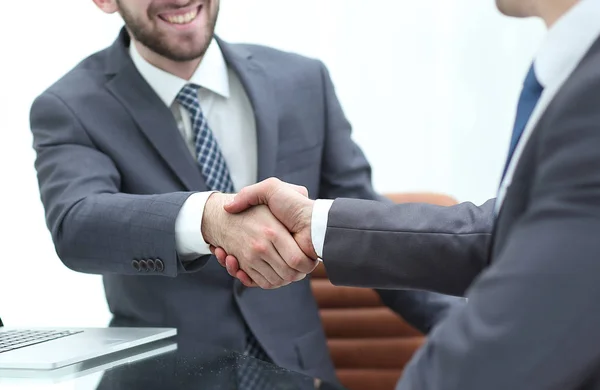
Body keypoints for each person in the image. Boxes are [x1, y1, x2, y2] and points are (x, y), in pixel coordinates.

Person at [28, 0, 462, 384]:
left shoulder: (302, 80)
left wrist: (477, 326)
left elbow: (365, 229)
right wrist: (207, 217)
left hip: (299, 372)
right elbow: (78, 224)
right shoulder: (71, 106)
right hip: (167, 378)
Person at [214, 0, 600, 388]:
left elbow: (522, 331)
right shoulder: (575, 70)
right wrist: (316, 222)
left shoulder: (589, 91)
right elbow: (504, 233)